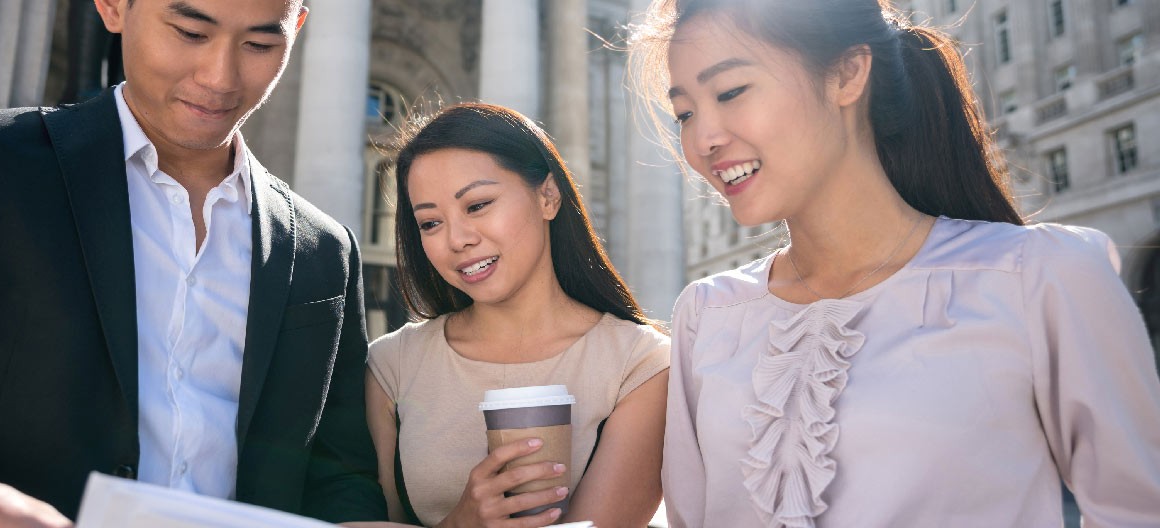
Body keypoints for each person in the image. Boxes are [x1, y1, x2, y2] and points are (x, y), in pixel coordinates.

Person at [628, 0, 1160, 526]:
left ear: (847, 73)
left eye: (731, 91)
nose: (702, 139)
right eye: (685, 113)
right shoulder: (708, 313)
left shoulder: (1041, 276)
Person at [0, 0, 386, 525]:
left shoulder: (325, 251)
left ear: (296, 28)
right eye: (190, 32)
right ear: (114, 6)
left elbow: (338, 475)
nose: (220, 78)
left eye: (260, 45)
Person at [358, 103, 669, 527]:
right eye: (430, 223)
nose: (458, 240)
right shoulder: (390, 366)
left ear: (548, 196)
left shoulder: (641, 365)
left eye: (478, 205)